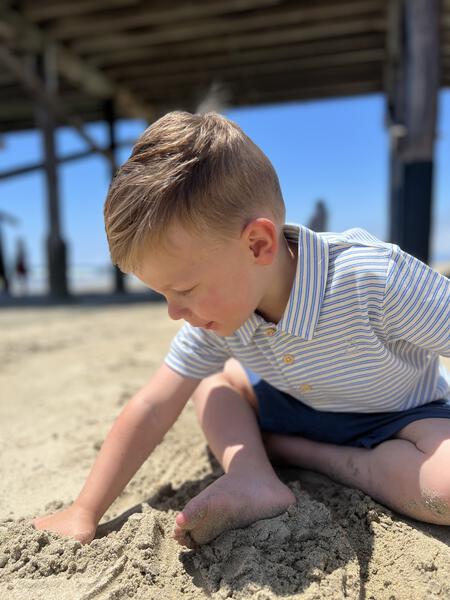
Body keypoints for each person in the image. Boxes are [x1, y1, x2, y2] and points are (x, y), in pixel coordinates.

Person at [33, 111, 450, 547]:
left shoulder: (374, 279)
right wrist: (85, 511)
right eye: (163, 295)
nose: (174, 312)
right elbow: (155, 404)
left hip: (399, 415)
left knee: (443, 489)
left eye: (185, 289)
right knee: (210, 382)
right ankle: (251, 474)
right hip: (290, 403)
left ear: (258, 245)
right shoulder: (219, 316)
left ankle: (296, 452)